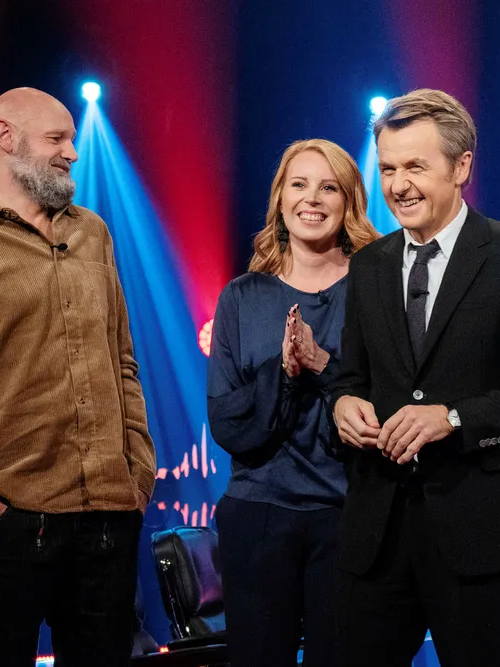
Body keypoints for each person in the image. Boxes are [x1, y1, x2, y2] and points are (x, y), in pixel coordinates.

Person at [331, 88, 500, 666]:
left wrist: (453, 418)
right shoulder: (368, 265)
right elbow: (350, 378)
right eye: (388, 169)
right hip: (377, 532)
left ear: (461, 166)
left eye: (415, 167)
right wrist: (343, 405)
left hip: (482, 532)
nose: (398, 185)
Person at [0, 88, 155, 666]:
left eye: (72, 138)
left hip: (108, 519)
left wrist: (139, 474)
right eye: (57, 138)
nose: (73, 152)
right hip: (8, 520)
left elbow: (122, 360)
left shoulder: (93, 232)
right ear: (6, 137)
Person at [207, 138, 380, 667]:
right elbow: (227, 420)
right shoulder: (242, 296)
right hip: (259, 516)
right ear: (280, 198)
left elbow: (388, 405)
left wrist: (321, 363)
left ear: (349, 201)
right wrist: (282, 371)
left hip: (349, 515)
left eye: (329, 187)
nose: (312, 199)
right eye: (299, 184)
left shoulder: (377, 289)